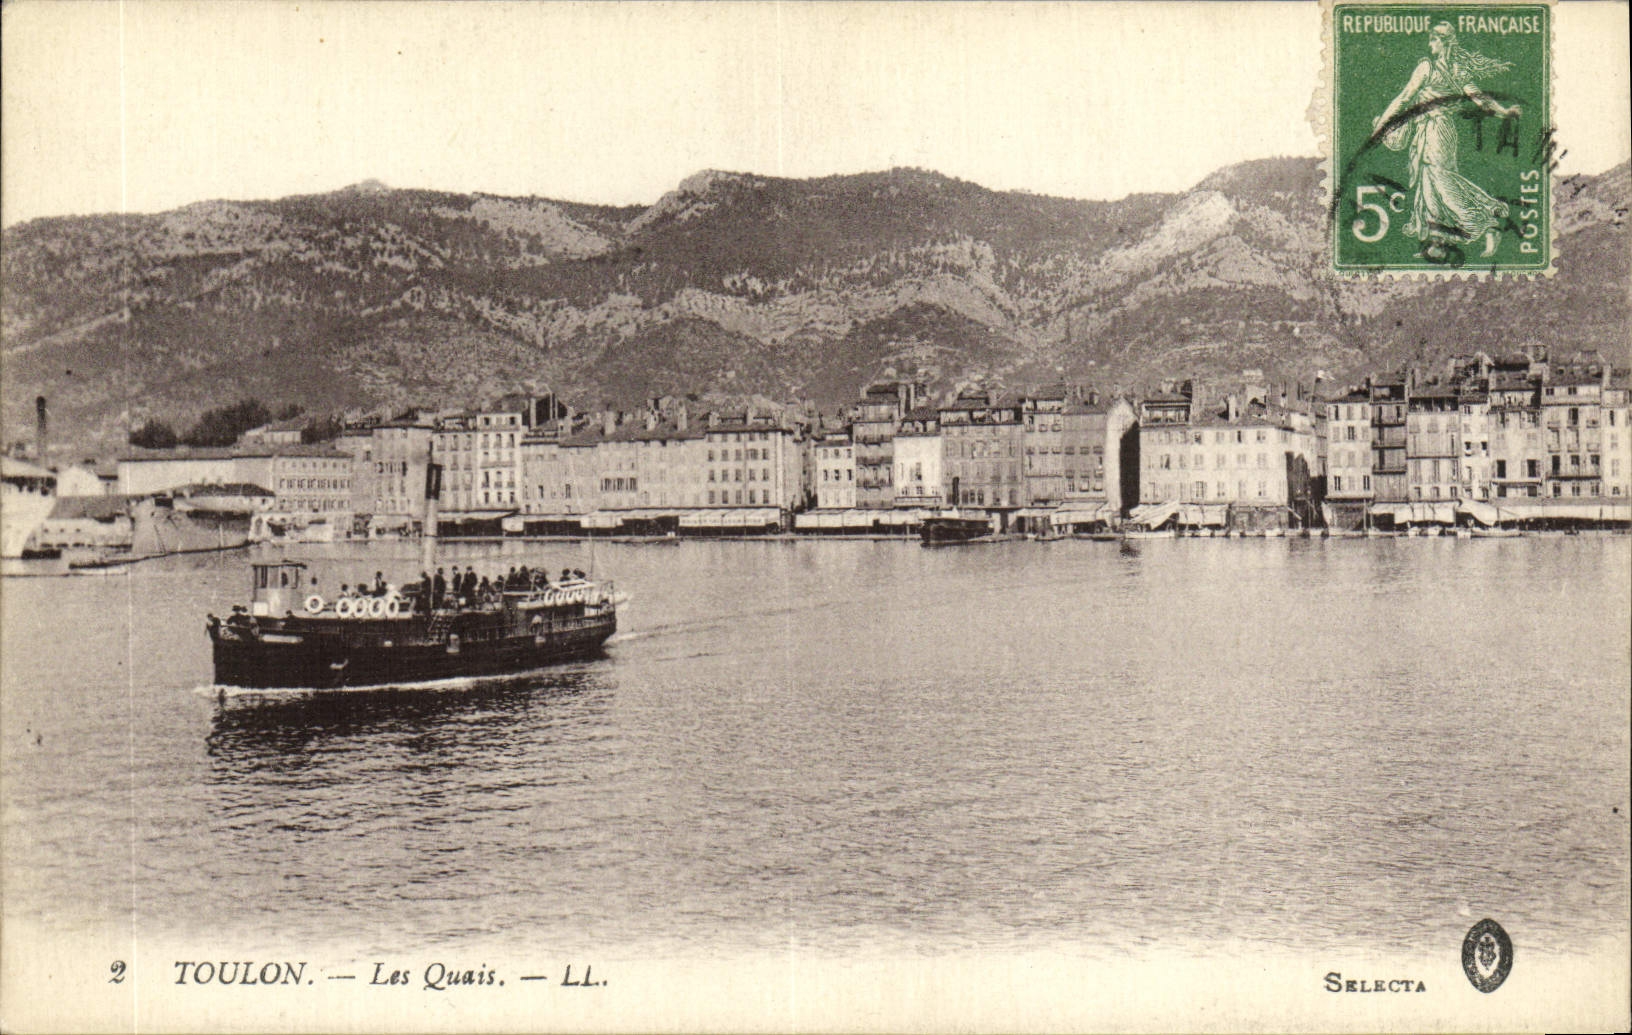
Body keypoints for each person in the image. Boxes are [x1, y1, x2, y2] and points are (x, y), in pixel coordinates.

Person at [1371, 22, 1521, 261]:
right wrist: (1504, 112)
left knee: (1440, 179)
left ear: (1443, 42)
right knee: (1430, 182)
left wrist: (1381, 126)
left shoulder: (1426, 67)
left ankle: (1484, 223)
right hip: (1442, 130)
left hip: (1433, 129)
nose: (1430, 44)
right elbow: (1480, 99)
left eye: (1433, 40)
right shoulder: (1458, 70)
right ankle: (1437, 243)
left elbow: (1404, 97)